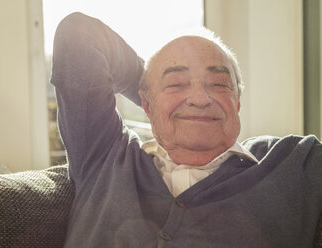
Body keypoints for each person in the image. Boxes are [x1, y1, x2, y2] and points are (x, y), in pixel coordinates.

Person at [51, 12, 322, 248]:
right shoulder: (105, 156)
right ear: (145, 102)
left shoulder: (293, 160)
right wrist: (153, 91)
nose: (200, 98)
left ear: (237, 103)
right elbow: (80, 35)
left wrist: (166, 93)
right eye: (176, 83)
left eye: (218, 83)